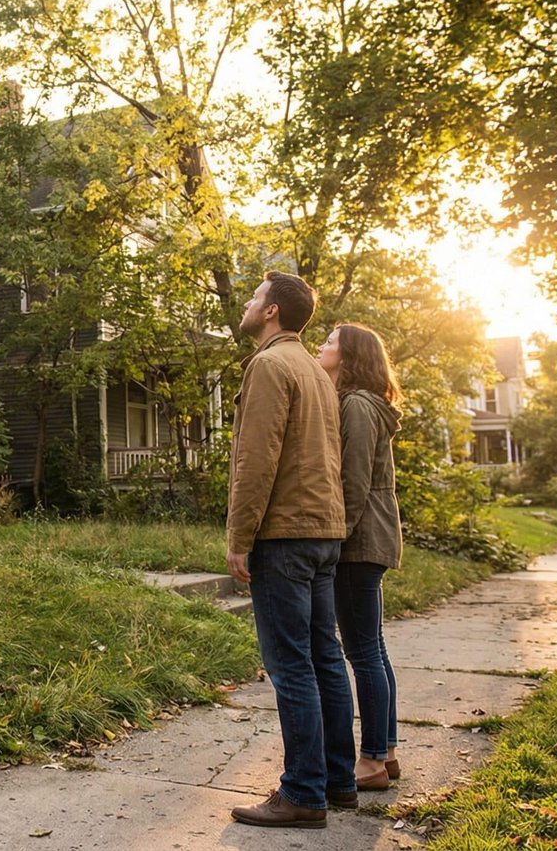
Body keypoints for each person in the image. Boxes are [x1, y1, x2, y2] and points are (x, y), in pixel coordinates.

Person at [226, 271, 355, 830]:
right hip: (325, 531)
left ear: (272, 310)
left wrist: (239, 537)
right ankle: (336, 781)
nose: (249, 304)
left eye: (255, 297)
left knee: (292, 665)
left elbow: (257, 460)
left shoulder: (269, 365)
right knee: (326, 657)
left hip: (284, 534)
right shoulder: (312, 368)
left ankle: (302, 792)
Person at [316, 322, 404, 791]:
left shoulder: (355, 405)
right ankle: (385, 751)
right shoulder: (364, 403)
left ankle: (369, 761)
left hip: (359, 541)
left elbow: (353, 482)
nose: (321, 346)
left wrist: (335, 539)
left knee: (363, 651)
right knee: (373, 647)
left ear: (349, 357)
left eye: (330, 342)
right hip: (370, 538)